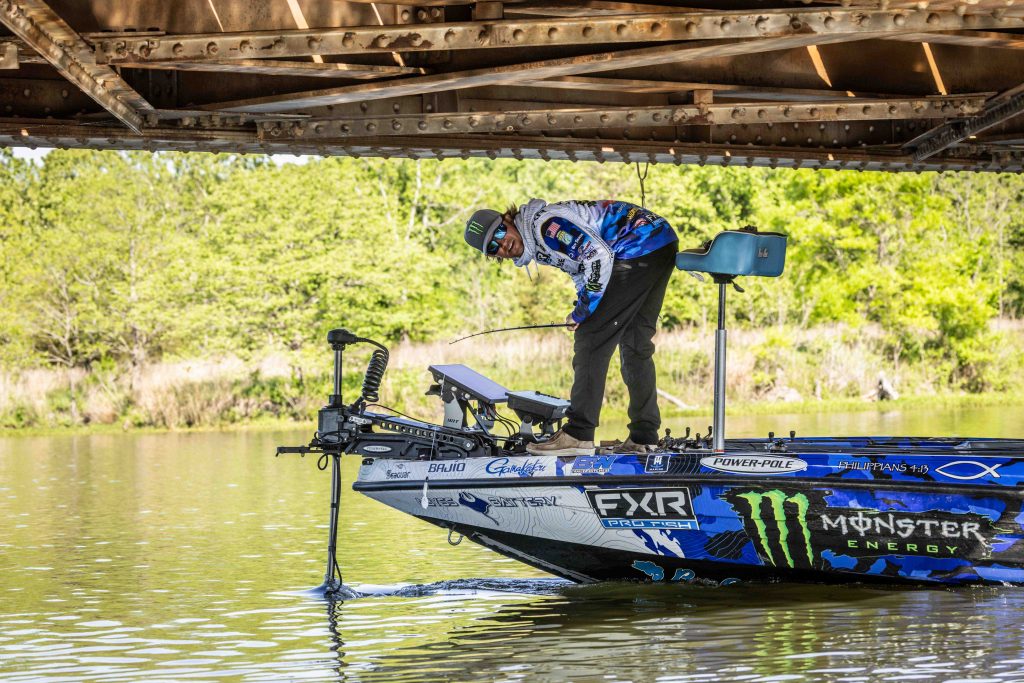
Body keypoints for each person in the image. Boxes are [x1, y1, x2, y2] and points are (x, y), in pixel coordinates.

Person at [463, 199, 678, 456]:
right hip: (660, 242)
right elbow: (579, 269)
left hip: (638, 245)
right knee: (635, 344)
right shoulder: (536, 240)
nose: (502, 244)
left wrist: (584, 311)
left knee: (591, 340)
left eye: (499, 233)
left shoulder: (546, 226)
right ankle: (644, 437)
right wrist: (582, 308)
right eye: (493, 247)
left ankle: (578, 434)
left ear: (507, 219)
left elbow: (598, 256)